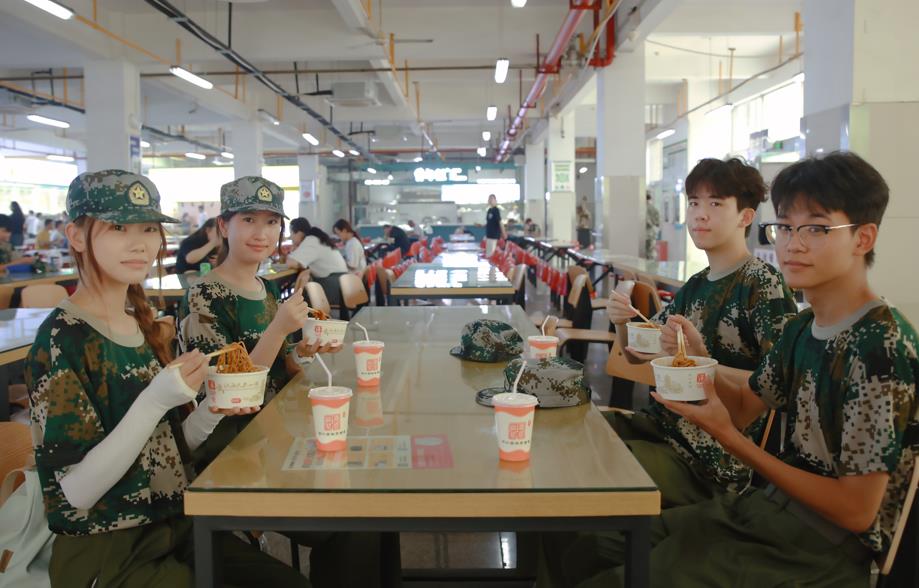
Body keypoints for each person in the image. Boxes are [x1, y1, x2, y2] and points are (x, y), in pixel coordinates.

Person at [549, 152, 919, 588]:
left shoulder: (879, 347)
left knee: (609, 564)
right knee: (592, 545)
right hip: (766, 510)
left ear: (863, 238)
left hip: (822, 547)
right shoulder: (803, 328)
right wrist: (700, 359)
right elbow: (744, 406)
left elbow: (855, 511)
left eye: (816, 228)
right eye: (785, 227)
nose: (793, 244)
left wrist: (729, 437)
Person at [26, 169, 308, 587]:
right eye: (118, 228)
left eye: (148, 229)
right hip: (109, 550)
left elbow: (173, 449)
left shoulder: (138, 327)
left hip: (174, 526)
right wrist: (156, 399)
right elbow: (78, 492)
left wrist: (212, 406)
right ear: (76, 236)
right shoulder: (62, 339)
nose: (139, 243)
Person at [602, 158, 798, 509]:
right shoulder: (695, 285)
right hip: (663, 429)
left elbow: (777, 386)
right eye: (694, 202)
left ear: (745, 216)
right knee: (576, 434)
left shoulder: (761, 283)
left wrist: (700, 361)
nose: (699, 215)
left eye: (715, 204)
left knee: (591, 468)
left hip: (709, 459)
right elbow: (636, 355)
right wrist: (620, 322)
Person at [287, 217, 349, 307]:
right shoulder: (317, 238)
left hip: (334, 286)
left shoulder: (311, 240)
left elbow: (290, 263)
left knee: (303, 298)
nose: (291, 237)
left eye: (291, 233)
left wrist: (294, 248)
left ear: (299, 233)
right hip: (343, 284)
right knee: (304, 293)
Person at [646, 191, 661, 259]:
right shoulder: (654, 209)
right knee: (650, 253)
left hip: (643, 235)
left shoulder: (640, 208)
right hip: (651, 235)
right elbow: (657, 223)